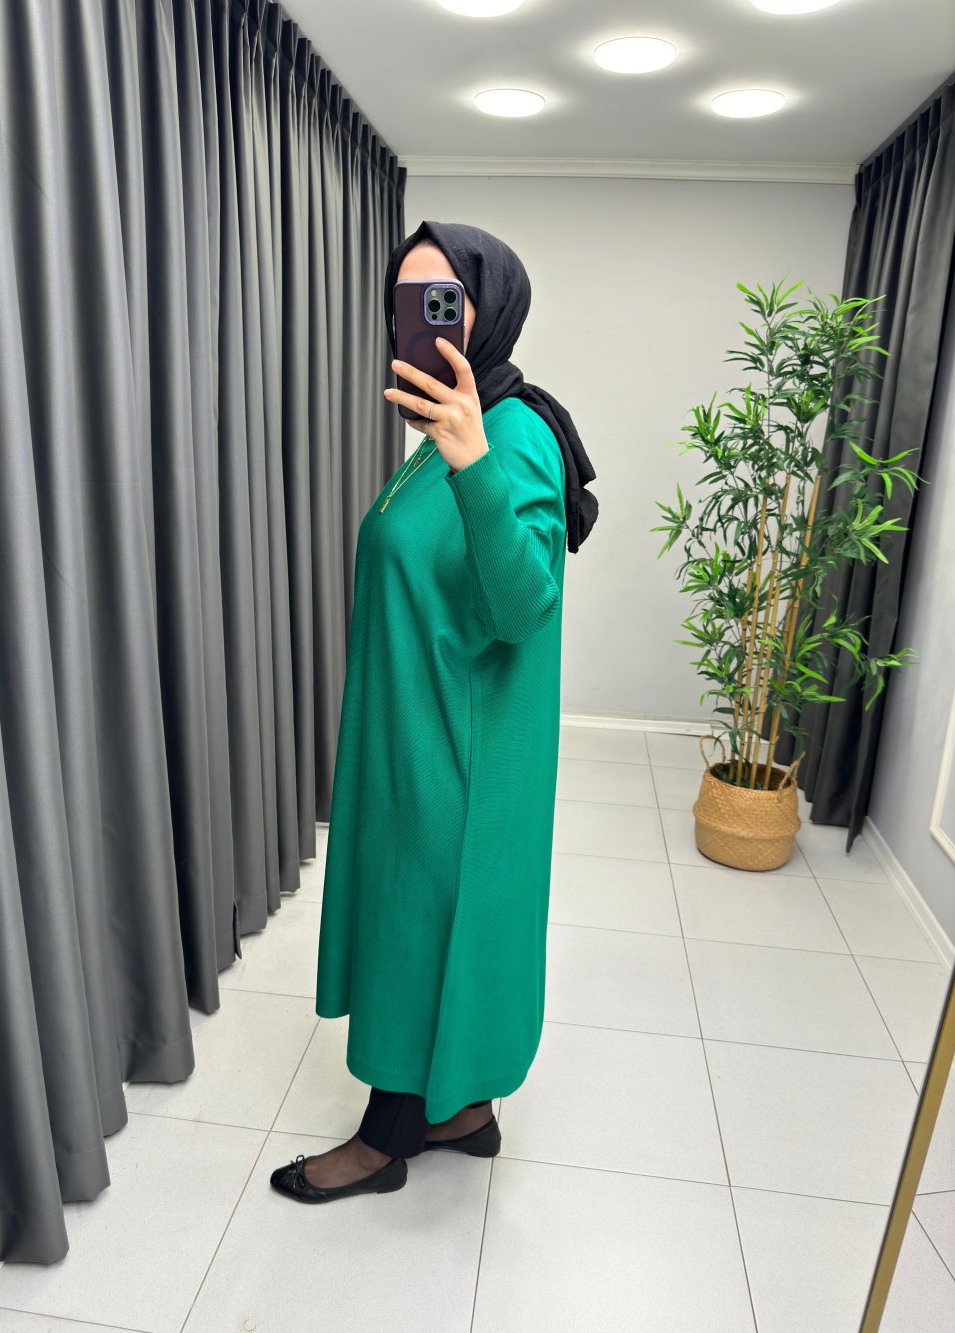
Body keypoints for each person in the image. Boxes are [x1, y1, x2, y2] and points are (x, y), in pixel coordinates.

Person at [271, 221, 598, 1204]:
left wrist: (472, 464)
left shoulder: (515, 433)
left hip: (459, 749)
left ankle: (386, 1138)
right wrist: (452, 449)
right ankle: (464, 1112)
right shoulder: (444, 428)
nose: (419, 322)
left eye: (441, 301)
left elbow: (524, 603)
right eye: (405, 302)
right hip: (414, 729)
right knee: (411, 916)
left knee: (420, 926)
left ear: (488, 311)